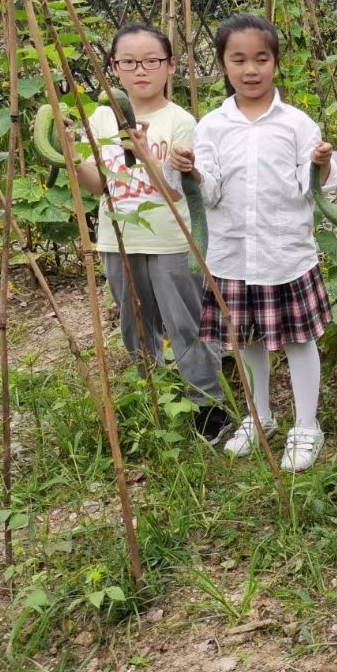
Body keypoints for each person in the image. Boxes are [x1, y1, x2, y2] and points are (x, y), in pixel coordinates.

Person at [168, 14, 337, 472]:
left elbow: (315, 189)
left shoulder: (298, 124)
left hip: (285, 254)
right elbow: (211, 191)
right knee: (245, 341)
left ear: (275, 62)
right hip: (233, 254)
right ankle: (260, 414)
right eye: (238, 59)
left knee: (300, 341)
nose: (250, 69)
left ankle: (307, 425)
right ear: (223, 65)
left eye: (261, 59)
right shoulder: (212, 127)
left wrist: (321, 163)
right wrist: (189, 170)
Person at [75, 23, 227, 443]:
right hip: (118, 237)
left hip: (171, 240)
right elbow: (99, 184)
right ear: (114, 69)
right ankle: (154, 394)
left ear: (170, 66)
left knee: (186, 323)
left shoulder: (180, 122)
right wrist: (72, 159)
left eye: (151, 61)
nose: (140, 70)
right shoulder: (102, 116)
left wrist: (145, 155)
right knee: (135, 322)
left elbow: (181, 191)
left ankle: (207, 403)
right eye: (128, 62)